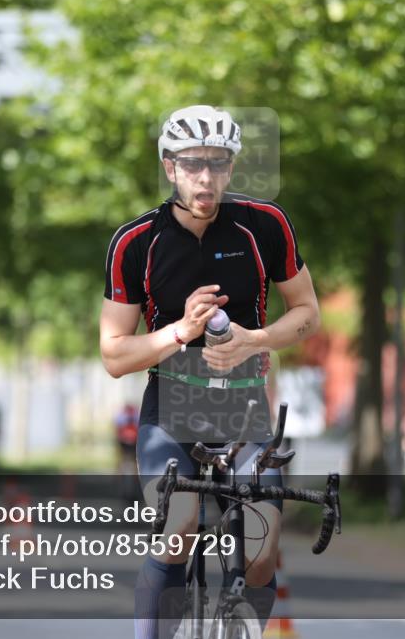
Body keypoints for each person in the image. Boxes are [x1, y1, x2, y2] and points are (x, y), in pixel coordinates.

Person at [99, 106, 320, 639]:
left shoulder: (265, 225)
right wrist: (178, 331)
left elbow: (308, 312)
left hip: (244, 406)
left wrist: (255, 339)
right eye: (193, 164)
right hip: (170, 406)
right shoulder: (135, 242)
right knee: (178, 529)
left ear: (231, 168)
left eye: (218, 164)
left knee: (263, 549)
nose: (206, 177)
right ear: (169, 167)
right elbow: (113, 355)